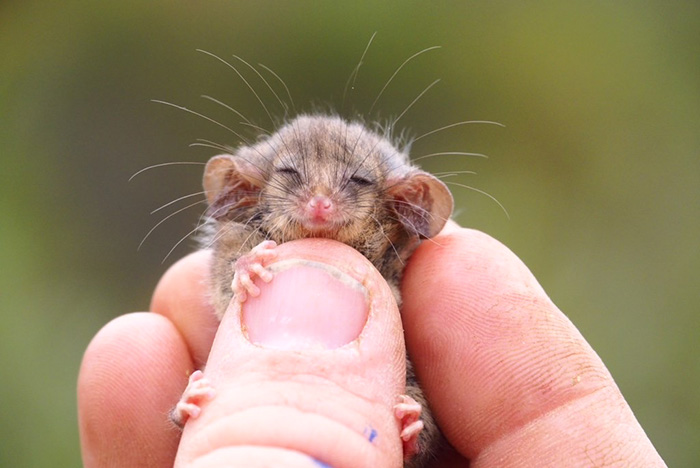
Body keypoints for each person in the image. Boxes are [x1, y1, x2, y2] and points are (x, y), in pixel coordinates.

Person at [78, 224, 667, 467]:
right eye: (292, 181)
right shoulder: (243, 253)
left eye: (354, 185)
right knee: (186, 388)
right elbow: (218, 283)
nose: (320, 206)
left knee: (413, 406)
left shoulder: (405, 279)